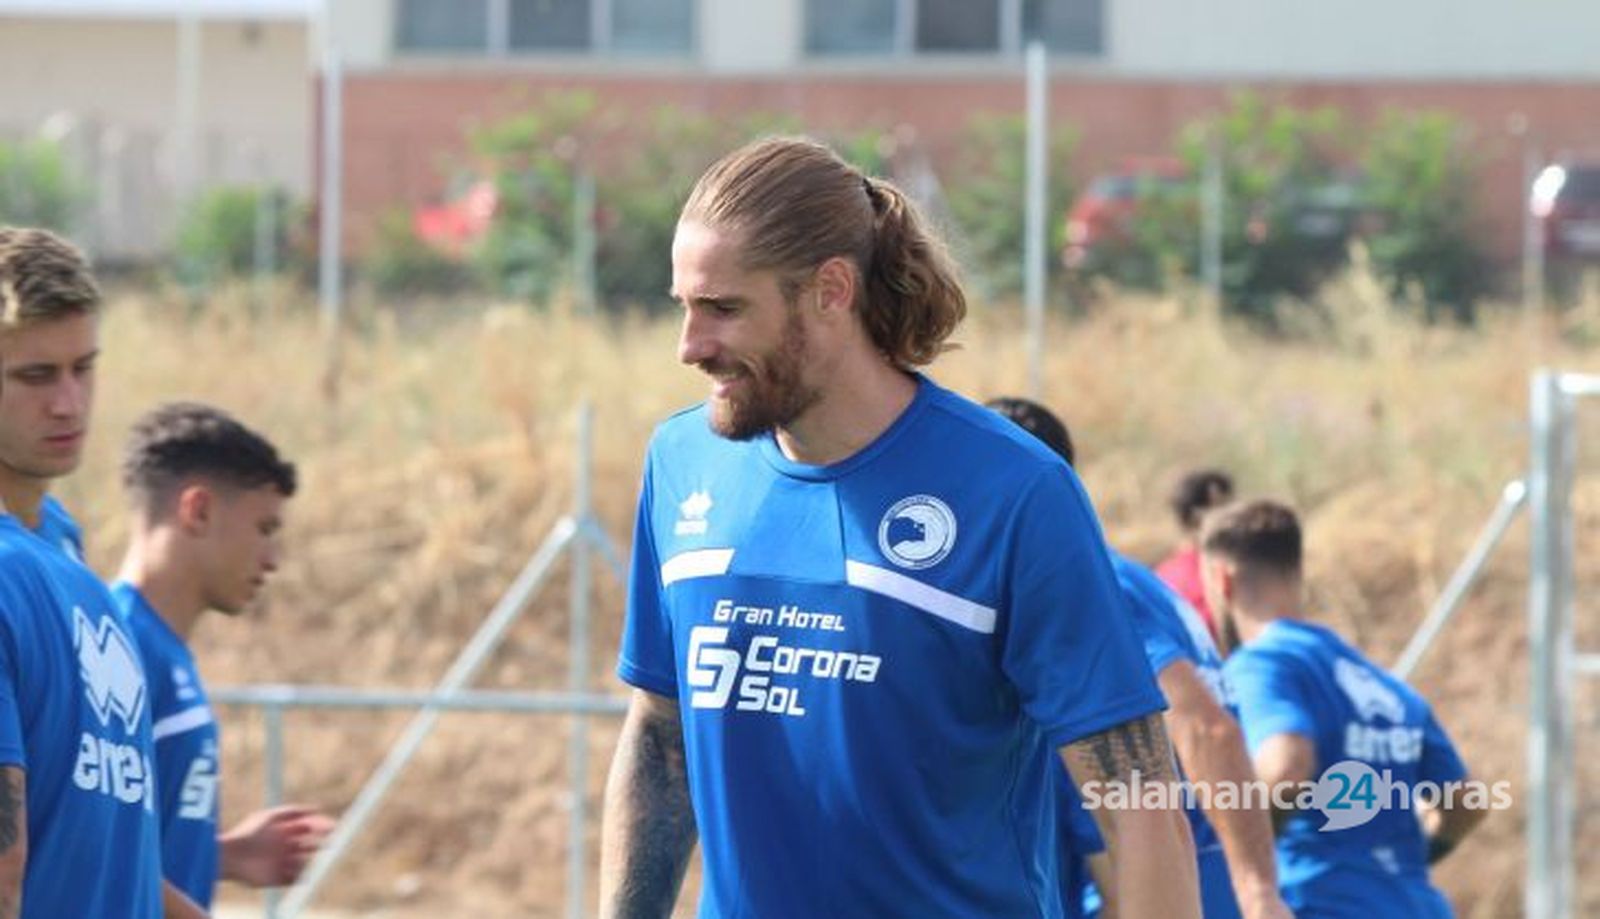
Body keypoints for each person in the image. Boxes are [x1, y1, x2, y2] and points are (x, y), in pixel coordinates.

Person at [599, 136, 1199, 918]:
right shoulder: (684, 461)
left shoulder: (1013, 492)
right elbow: (660, 742)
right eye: (684, 306)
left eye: (724, 308)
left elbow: (1141, 804)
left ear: (832, 291)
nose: (691, 346)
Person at [985, 397, 1289, 919]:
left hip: (1176, 891)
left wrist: (1257, 889)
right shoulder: (1133, 576)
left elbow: (1207, 727)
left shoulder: (1093, 584)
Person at [0, 227, 176, 917]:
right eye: (35, 376)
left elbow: (106, 848)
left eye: (84, 367)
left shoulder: (60, 544)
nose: (69, 402)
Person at [1201, 500, 1488, 917]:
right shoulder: (1377, 682)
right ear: (1296, 574)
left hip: (1321, 902)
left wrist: (1249, 869)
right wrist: (1395, 867)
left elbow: (1286, 766)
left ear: (1222, 581)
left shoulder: (1263, 664)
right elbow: (1466, 802)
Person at [115, 402, 333, 909]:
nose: (273, 559)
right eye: (264, 529)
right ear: (199, 511)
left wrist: (224, 856)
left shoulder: (165, 651)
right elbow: (76, 849)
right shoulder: (116, 648)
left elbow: (124, 837)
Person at [1156, 469, 1234, 639]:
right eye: (1224, 509)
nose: (1234, 519)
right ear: (1196, 518)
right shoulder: (1222, 571)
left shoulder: (1160, 575)